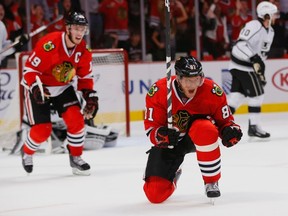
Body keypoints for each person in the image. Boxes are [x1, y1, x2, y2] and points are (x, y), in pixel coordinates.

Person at [143, 56, 243, 203]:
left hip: (197, 137)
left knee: (205, 129)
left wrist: (230, 131)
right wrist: (160, 135)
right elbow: (151, 128)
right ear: (178, 78)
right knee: (155, 195)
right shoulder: (160, 91)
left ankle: (211, 181)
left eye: (197, 79)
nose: (193, 84)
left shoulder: (211, 91)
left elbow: (226, 121)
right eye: (188, 80)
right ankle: (175, 172)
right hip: (171, 142)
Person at [20, 11, 98, 176]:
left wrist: (90, 95)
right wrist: (35, 88)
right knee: (43, 130)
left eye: (82, 29)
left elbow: (85, 76)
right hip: (39, 87)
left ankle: (76, 158)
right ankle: (26, 151)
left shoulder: (83, 49)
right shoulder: (50, 43)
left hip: (62, 87)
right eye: (76, 28)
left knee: (77, 121)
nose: (79, 33)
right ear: (68, 28)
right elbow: (29, 70)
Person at [227, 1, 278, 139]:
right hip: (243, 67)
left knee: (236, 98)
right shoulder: (254, 25)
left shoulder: (270, 31)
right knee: (257, 95)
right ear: (266, 15)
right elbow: (240, 45)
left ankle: (217, 122)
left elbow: (262, 54)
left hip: (246, 68)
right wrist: (253, 58)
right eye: (273, 14)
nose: (275, 16)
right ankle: (254, 127)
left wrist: (260, 68)